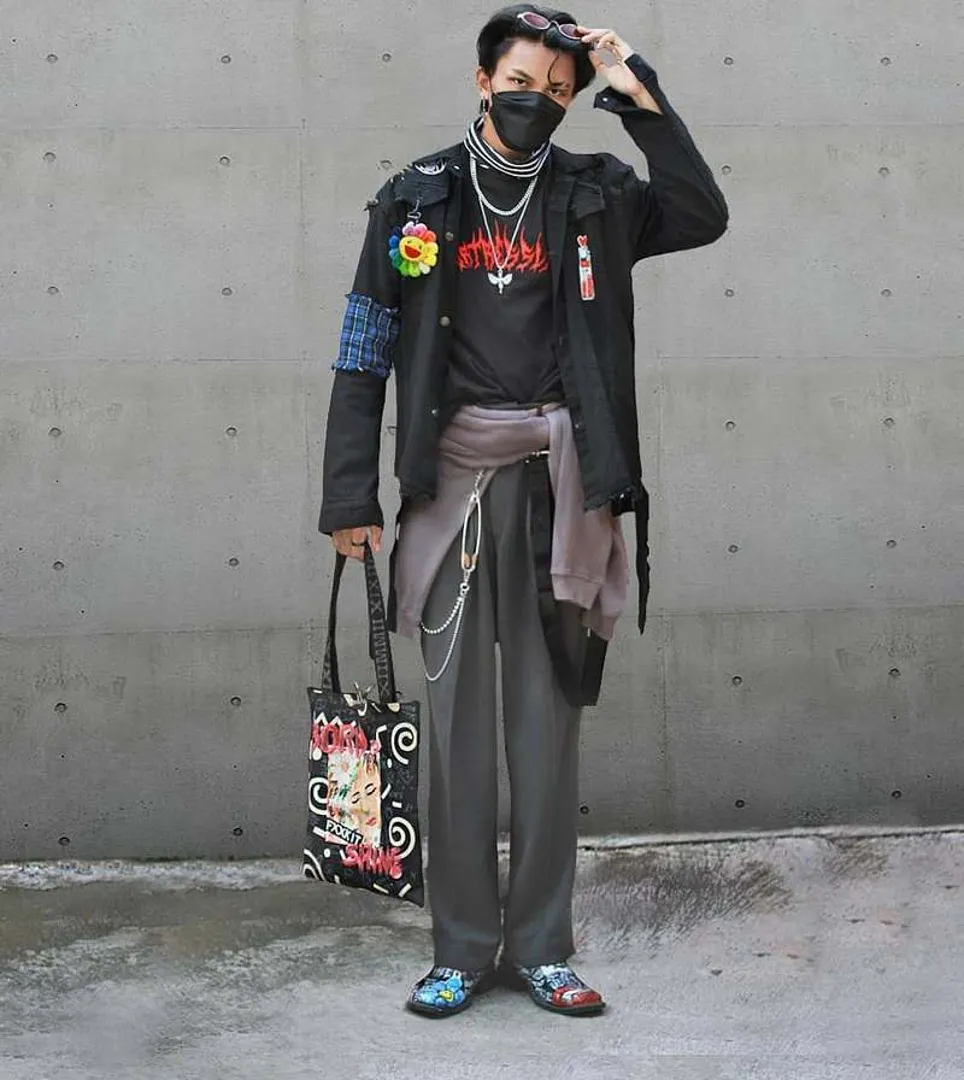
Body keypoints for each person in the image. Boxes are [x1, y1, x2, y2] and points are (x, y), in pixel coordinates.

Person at [319, 5, 728, 1018]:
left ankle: (544, 947)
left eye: (556, 89)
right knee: (458, 735)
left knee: (546, 736)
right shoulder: (416, 196)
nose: (535, 100)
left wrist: (636, 90)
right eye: (519, 81)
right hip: (450, 493)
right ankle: (461, 949)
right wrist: (348, 496)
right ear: (481, 81)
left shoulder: (598, 194)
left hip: (561, 492)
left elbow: (700, 210)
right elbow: (365, 345)